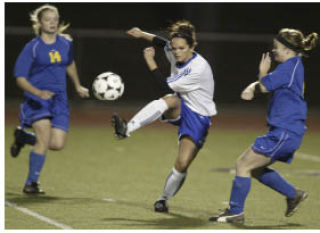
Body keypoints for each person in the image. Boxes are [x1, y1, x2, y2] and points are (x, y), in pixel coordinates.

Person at [209, 28, 318, 223]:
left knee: (243, 164)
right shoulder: (292, 66)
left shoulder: (288, 68)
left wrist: (261, 73)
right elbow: (266, 85)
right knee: (255, 169)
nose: (273, 51)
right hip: (286, 131)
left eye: (276, 47)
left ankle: (236, 212)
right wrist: (253, 86)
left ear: (286, 49)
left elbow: (265, 85)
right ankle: (293, 194)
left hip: (284, 132)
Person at [112, 20, 217, 213]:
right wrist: (142, 33)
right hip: (181, 105)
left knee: (182, 164)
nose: (176, 52)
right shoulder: (175, 49)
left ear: (192, 46)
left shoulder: (197, 68)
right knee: (170, 100)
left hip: (199, 117)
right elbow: (162, 43)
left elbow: (164, 85)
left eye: (181, 48)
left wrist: (150, 62)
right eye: (174, 48)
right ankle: (127, 129)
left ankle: (163, 198)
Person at [10, 4, 89, 194]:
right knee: (44, 140)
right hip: (37, 99)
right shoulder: (33, 48)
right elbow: (20, 77)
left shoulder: (65, 43)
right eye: (48, 19)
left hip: (59, 100)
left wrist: (77, 85)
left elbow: (69, 64)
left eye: (55, 19)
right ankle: (31, 184)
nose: (52, 23)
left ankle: (23, 137)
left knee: (57, 144)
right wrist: (38, 93)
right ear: (40, 22)